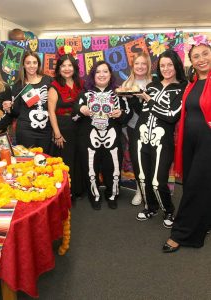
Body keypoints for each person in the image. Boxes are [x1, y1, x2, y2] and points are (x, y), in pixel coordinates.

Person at [163, 37, 211, 253]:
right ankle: (204, 222)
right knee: (199, 184)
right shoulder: (191, 85)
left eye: (205, 54)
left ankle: (182, 233)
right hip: (190, 142)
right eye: (196, 56)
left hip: (207, 142)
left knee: (194, 188)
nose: (201, 59)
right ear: (191, 61)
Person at [135, 49, 187, 228]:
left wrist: (149, 101)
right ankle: (150, 207)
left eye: (169, 65)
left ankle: (168, 210)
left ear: (176, 65)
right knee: (142, 178)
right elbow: (142, 112)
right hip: (141, 136)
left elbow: (172, 115)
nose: (166, 68)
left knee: (158, 181)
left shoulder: (183, 87)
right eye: (162, 65)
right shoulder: (152, 85)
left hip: (162, 140)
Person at [73, 61, 131, 210]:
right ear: (93, 75)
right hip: (89, 140)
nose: (102, 75)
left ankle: (112, 195)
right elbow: (73, 116)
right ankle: (94, 196)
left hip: (112, 139)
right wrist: (81, 110)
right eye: (98, 72)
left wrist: (121, 114)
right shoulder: (84, 94)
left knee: (113, 168)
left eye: (105, 71)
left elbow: (127, 117)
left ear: (110, 74)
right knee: (90, 168)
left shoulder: (119, 93)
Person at [48, 46, 84, 200]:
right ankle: (65, 193)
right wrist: (57, 134)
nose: (67, 69)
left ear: (74, 67)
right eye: (63, 66)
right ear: (59, 68)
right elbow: (51, 112)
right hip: (63, 128)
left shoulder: (81, 83)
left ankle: (78, 190)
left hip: (80, 126)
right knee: (66, 161)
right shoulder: (54, 86)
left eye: (70, 65)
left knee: (79, 158)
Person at [3, 51, 53, 153]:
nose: (32, 66)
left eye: (34, 62)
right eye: (28, 63)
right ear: (23, 65)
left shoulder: (48, 81)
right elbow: (16, 112)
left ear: (38, 64)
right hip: (25, 131)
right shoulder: (19, 85)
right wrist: (9, 108)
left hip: (46, 130)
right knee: (28, 162)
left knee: (46, 162)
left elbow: (55, 105)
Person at [121, 52, 152, 206]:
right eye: (137, 63)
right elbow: (124, 112)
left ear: (148, 66)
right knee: (137, 160)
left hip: (151, 128)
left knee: (150, 161)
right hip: (133, 129)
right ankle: (140, 191)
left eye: (143, 64)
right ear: (133, 66)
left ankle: (151, 193)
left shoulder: (154, 83)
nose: (140, 66)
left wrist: (140, 98)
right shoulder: (126, 84)